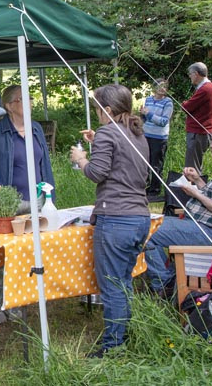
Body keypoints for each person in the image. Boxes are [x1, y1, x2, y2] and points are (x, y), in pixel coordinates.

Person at [69, 84, 150, 358]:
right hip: (139, 218)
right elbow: (122, 162)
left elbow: (97, 172)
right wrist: (98, 142)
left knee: (112, 286)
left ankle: (113, 347)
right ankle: (124, 336)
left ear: (108, 110)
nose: (97, 114)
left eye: (97, 109)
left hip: (116, 219)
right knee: (123, 282)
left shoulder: (108, 133)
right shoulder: (136, 132)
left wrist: (82, 159)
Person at [143, 122, 212, 299]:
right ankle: (167, 278)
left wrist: (194, 192)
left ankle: (164, 284)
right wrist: (197, 181)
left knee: (144, 229)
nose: (211, 145)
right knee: (147, 224)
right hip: (207, 227)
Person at [0, 84, 55, 323]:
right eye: (23, 99)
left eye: (30, 98)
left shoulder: (36, 128)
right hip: (9, 206)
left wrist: (50, 198)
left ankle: (16, 301)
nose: (29, 102)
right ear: (9, 106)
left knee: (28, 254)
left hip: (37, 202)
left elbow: (44, 165)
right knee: (0, 255)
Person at [182, 62, 212, 173]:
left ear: (196, 74)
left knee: (192, 168)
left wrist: (184, 103)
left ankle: (194, 184)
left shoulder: (205, 89)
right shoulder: (206, 87)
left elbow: (187, 107)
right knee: (195, 165)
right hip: (201, 132)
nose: (190, 76)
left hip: (198, 132)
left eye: (190, 74)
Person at [140, 79, 174, 200]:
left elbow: (163, 121)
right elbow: (145, 118)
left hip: (159, 137)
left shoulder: (168, 102)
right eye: (160, 86)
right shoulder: (148, 100)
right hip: (146, 135)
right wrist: (142, 115)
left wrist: (149, 114)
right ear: (154, 88)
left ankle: (155, 190)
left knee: (156, 165)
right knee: (145, 162)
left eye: (164, 86)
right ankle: (144, 187)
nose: (162, 89)